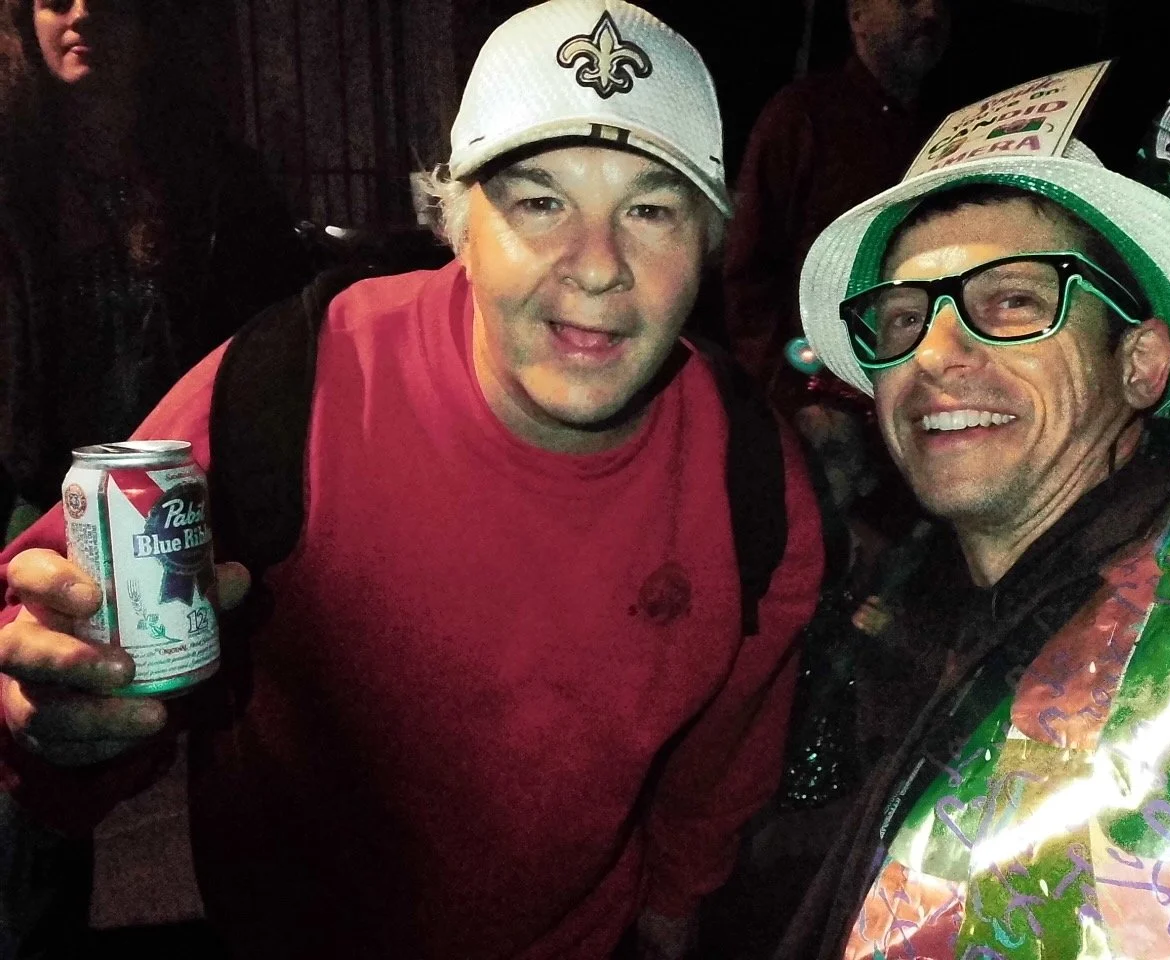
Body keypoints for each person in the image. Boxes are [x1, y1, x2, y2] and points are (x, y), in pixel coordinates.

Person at [0, 1, 824, 958]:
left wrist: (673, 914)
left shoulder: (753, 480)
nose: (599, 268)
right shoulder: (288, 388)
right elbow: (48, 660)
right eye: (540, 201)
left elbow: (720, 767)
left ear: (711, 244)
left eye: (650, 209)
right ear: (459, 225)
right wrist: (56, 714)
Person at [774, 127, 1170, 959]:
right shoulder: (889, 620)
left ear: (1140, 363)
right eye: (903, 318)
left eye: (1013, 299)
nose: (934, 353)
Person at [0, 0, 309, 541]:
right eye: (56, 2)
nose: (83, 14)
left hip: (192, 493)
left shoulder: (220, 176)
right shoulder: (12, 181)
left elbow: (276, 335)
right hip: (45, 498)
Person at [722, 0, 950, 415]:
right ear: (857, 15)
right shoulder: (803, 116)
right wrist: (795, 398)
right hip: (821, 404)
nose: (930, 12)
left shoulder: (947, 129)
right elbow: (748, 272)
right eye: (907, 1)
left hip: (916, 392)